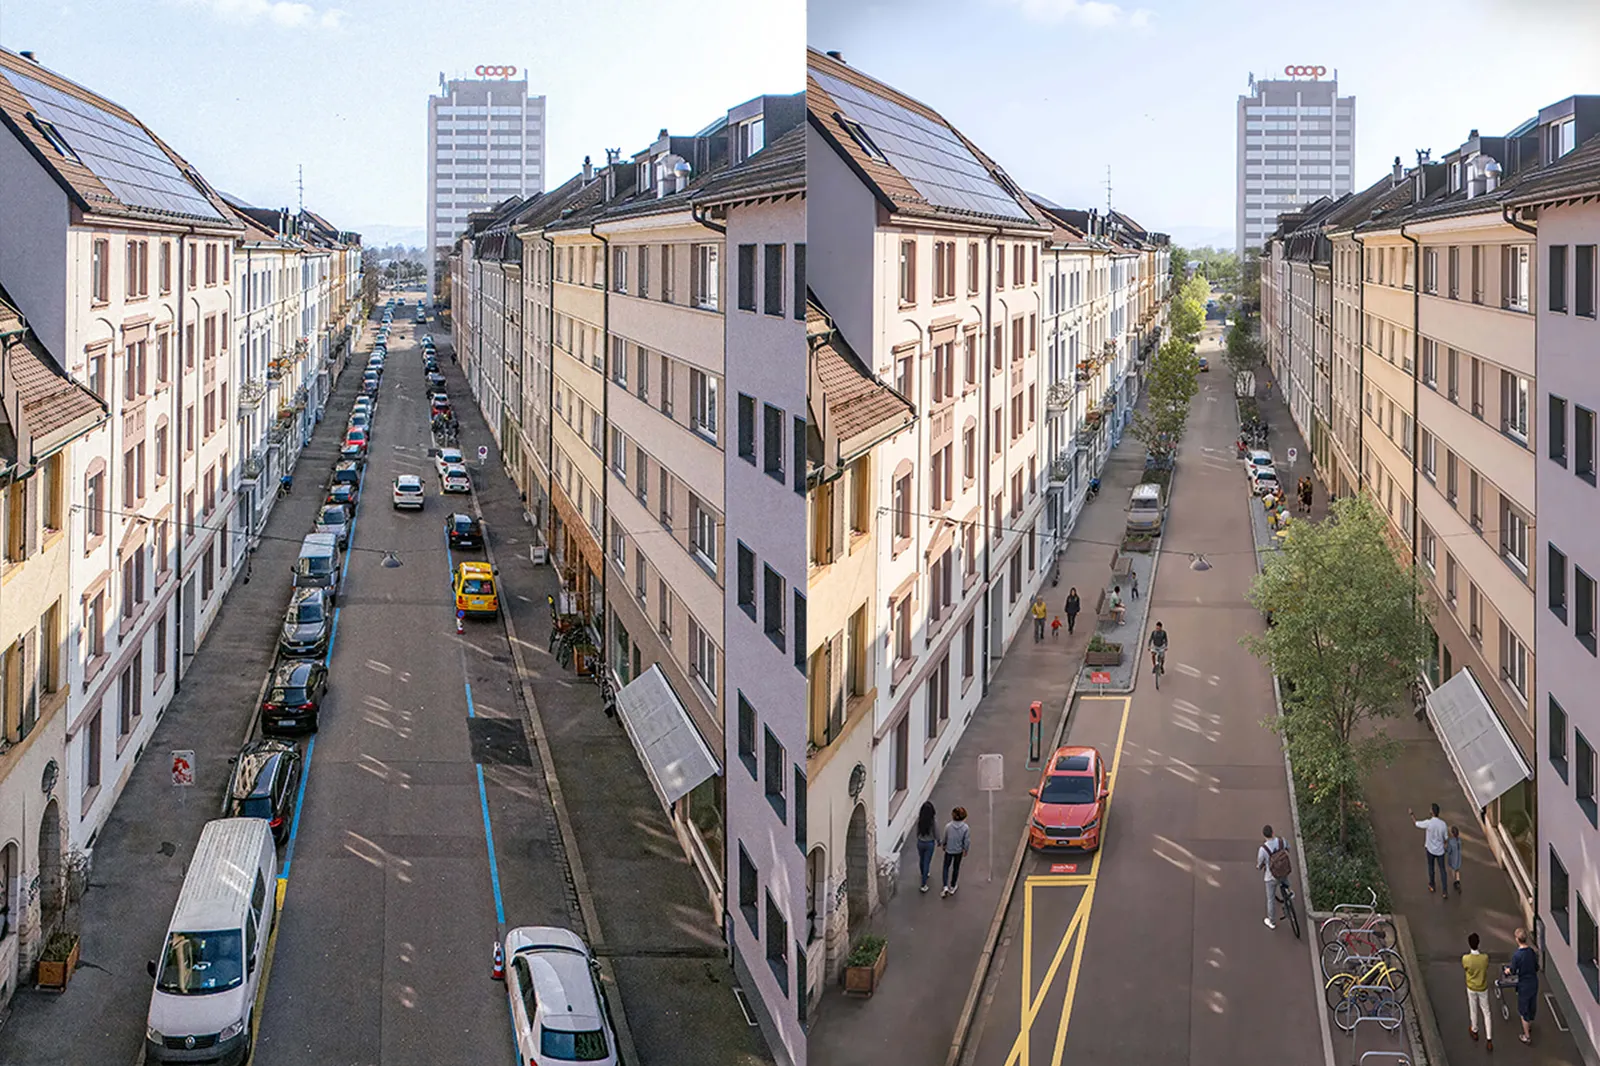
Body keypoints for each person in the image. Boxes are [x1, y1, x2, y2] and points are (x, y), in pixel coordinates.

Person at [1505, 927, 1539, 1044]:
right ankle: (1529, 1024)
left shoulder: (1517, 956)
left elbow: (1513, 971)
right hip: (1534, 983)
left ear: (1517, 939)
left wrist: (1508, 971)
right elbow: (1536, 967)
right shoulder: (1532, 952)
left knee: (1523, 1010)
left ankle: (1527, 1036)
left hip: (1524, 985)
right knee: (1531, 1005)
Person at [1409, 803, 1450, 897]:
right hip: (1440, 851)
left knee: (1431, 868)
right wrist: (1445, 846)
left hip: (1430, 850)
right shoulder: (1443, 824)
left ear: (1432, 812)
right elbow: (1446, 839)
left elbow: (1416, 823)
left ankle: (1432, 885)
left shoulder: (1429, 823)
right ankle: (1444, 891)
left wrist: (1412, 814)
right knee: (1442, 870)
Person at [1257, 825, 1291, 929]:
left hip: (1271, 877)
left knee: (1270, 899)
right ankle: (1290, 896)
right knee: (1286, 883)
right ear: (1273, 832)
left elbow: (1260, 863)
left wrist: (1259, 866)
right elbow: (1288, 849)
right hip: (1283, 872)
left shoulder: (1263, 849)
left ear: (1264, 836)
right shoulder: (1282, 841)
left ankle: (1271, 921)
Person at [1463, 932, 1492, 1049]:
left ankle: (1474, 1029)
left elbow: (1466, 969)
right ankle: (1489, 1038)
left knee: (1473, 1009)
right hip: (1483, 987)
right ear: (1478, 943)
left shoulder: (1466, 958)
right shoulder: (1484, 958)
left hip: (1471, 987)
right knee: (1487, 1012)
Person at [940, 807, 970, 897]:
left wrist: (944, 844)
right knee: (956, 868)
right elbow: (967, 840)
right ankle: (952, 886)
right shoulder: (965, 828)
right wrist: (965, 849)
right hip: (958, 851)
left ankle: (945, 886)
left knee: (946, 867)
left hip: (949, 850)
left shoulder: (948, 826)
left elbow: (945, 837)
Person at [915, 802, 939, 894]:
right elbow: (936, 831)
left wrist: (918, 838)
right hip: (929, 843)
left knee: (921, 859)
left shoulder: (920, 820)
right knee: (927, 862)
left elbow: (917, 831)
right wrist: (939, 841)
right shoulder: (932, 821)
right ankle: (923, 884)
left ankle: (923, 874)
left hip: (920, 842)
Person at [1446, 825, 1463, 894]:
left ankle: (1455, 881)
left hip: (1453, 858)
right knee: (1457, 870)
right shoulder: (1459, 840)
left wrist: (1445, 849)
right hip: (1458, 857)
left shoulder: (1451, 841)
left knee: (1453, 869)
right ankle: (1458, 880)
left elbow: (1449, 850)